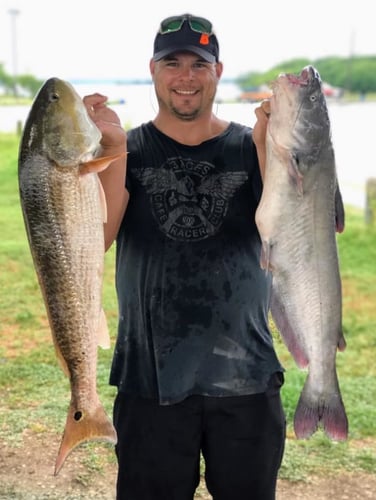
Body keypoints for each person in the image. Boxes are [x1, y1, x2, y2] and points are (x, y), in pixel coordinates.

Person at [83, 13, 285, 500]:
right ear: (152, 70)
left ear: (218, 71)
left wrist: (273, 145)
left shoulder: (249, 145)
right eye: (172, 63)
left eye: (199, 64)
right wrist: (110, 147)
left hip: (247, 375)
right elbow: (97, 239)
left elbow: (285, 232)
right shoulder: (127, 148)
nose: (186, 77)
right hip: (149, 377)